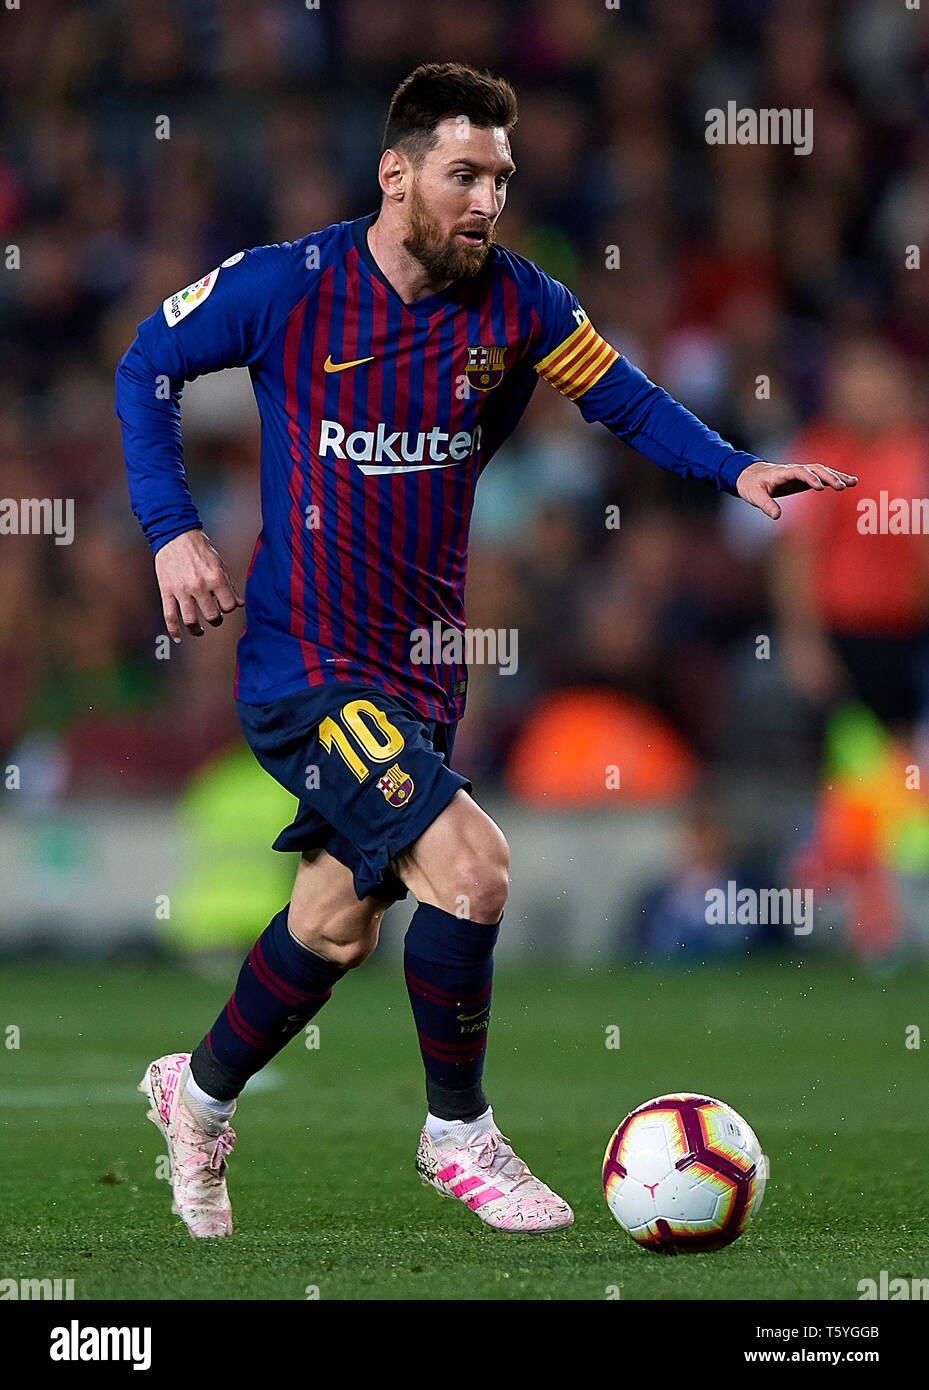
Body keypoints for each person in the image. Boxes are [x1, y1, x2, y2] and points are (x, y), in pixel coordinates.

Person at [115, 61, 855, 1239]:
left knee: (333, 925)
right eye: (461, 175)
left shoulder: (517, 305)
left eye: (499, 179)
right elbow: (144, 365)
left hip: (419, 668)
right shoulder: (285, 288)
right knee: (473, 867)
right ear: (394, 173)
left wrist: (735, 467)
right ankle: (456, 1133)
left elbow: (623, 398)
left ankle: (193, 1094)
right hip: (304, 664)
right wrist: (172, 532)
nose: (484, 200)